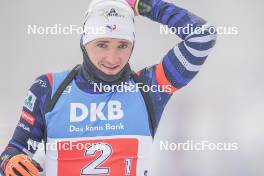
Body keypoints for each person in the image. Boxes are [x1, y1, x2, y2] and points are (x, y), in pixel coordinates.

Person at [0, 0, 217, 175]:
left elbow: (203, 35)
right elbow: (14, 152)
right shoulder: (48, 88)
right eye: (102, 45)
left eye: (122, 46)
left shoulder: (149, 88)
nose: (112, 58)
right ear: (85, 42)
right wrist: (11, 162)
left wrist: (144, 5)